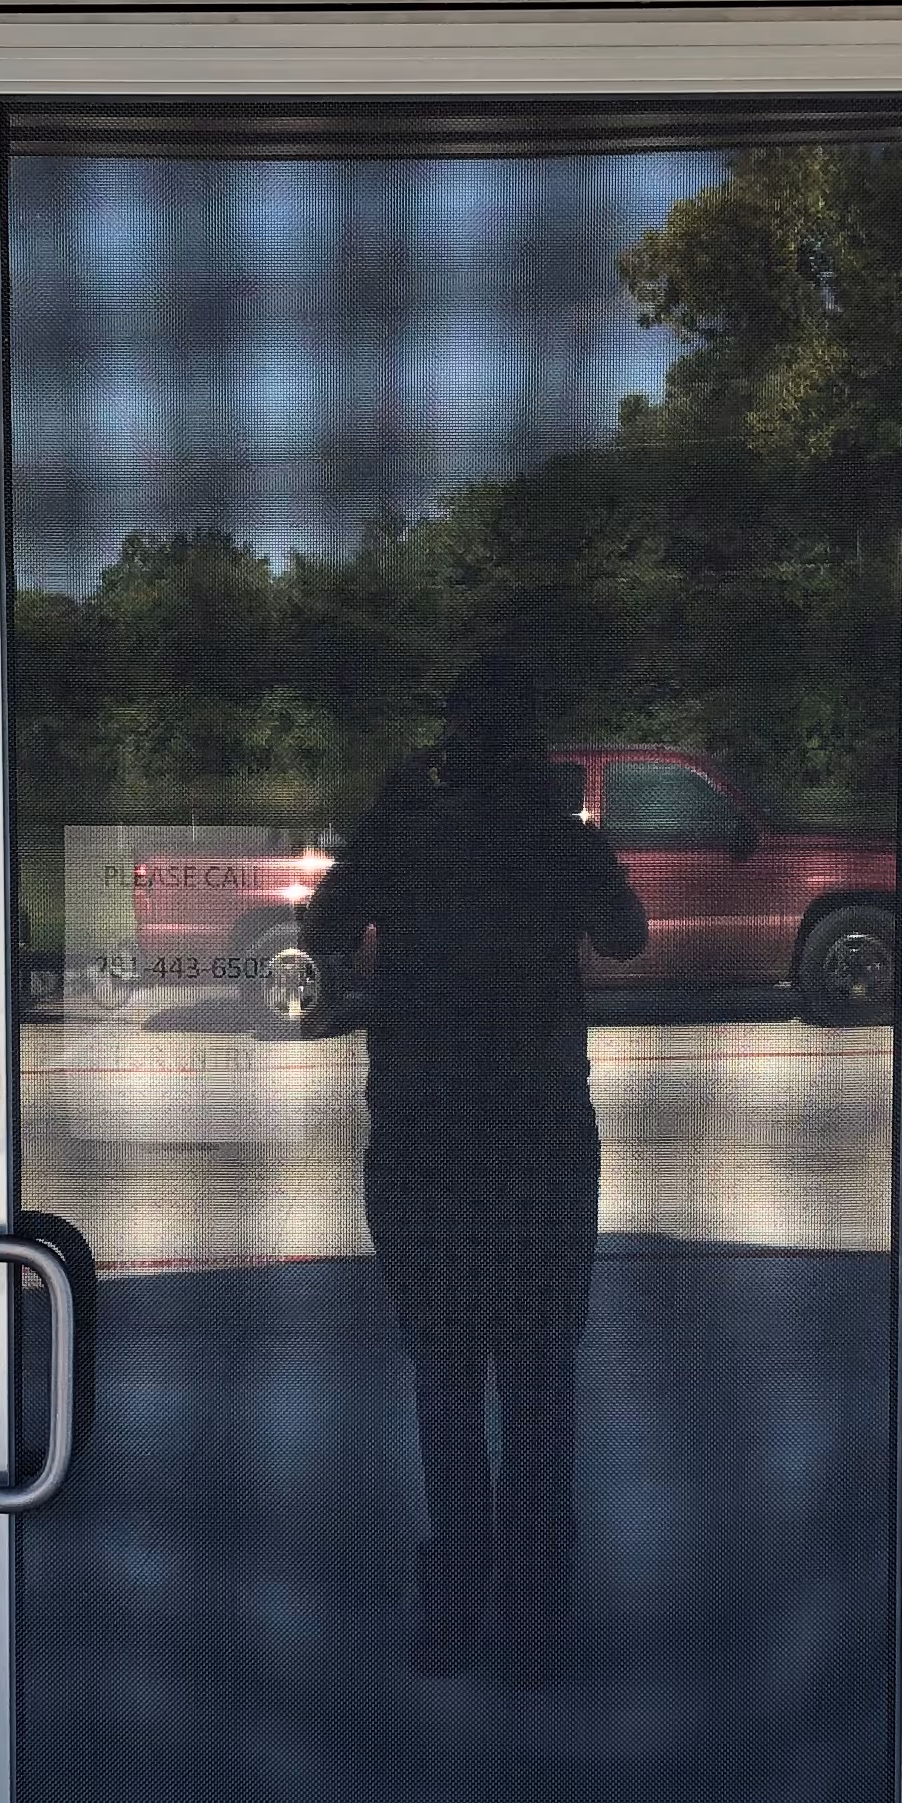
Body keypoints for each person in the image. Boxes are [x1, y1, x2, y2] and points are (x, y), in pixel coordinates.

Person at [302, 656, 647, 1682]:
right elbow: (627, 938)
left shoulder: (409, 826)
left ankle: (455, 1611)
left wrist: (392, 820)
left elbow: (323, 929)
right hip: (539, 1139)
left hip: (426, 1139)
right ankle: (537, 1618)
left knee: (447, 1385)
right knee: (540, 1385)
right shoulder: (556, 838)